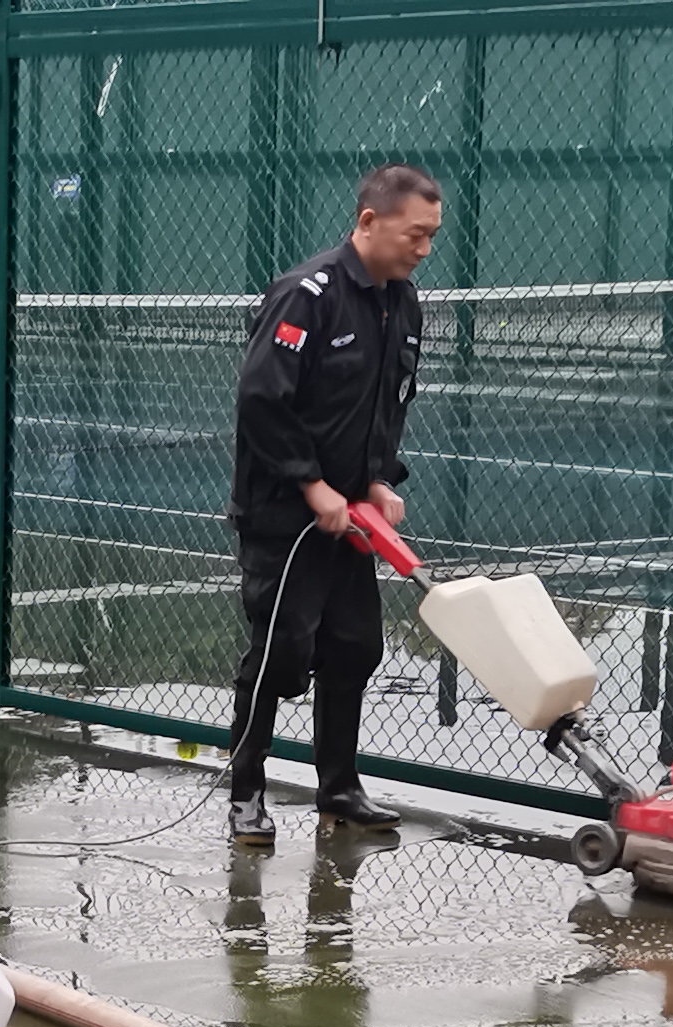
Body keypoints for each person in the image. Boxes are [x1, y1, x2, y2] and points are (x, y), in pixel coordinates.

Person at [223, 162, 440, 846]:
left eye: (433, 236)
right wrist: (311, 484)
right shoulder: (306, 296)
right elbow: (262, 400)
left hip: (351, 519)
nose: (424, 249)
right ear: (369, 222)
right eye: (416, 234)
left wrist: (378, 481)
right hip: (286, 516)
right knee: (284, 654)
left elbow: (385, 405)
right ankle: (246, 790)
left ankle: (339, 788)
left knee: (354, 648)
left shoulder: (401, 303)